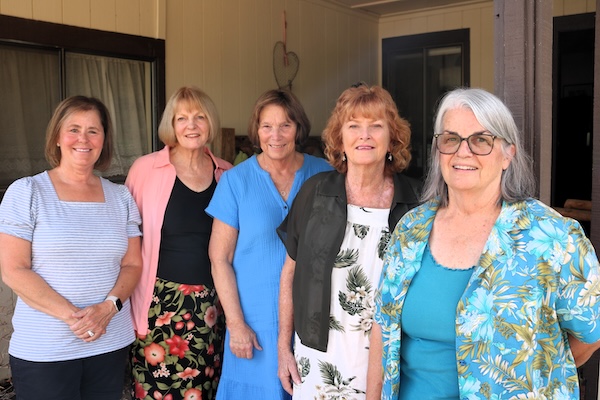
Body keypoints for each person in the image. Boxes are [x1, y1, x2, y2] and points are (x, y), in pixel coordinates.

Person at [368, 87, 600, 399]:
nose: (463, 152)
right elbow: (384, 326)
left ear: (508, 154)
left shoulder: (553, 237)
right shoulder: (411, 229)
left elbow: (590, 333)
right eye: (451, 139)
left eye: (481, 140)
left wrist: (535, 377)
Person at [277, 84, 421, 399]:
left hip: (390, 358)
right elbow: (290, 273)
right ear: (340, 138)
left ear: (392, 139)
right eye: (354, 126)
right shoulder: (314, 193)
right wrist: (283, 348)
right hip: (318, 356)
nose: (364, 135)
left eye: (376, 126)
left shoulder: (417, 203)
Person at [0, 96, 142, 399]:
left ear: (104, 139)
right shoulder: (27, 192)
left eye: (94, 130)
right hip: (46, 350)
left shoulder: (121, 198)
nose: (84, 139)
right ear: (57, 137)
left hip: (109, 343)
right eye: (74, 129)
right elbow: (13, 270)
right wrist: (75, 318)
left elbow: (132, 265)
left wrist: (108, 309)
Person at [206, 89, 332, 399]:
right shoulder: (236, 181)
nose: (275, 135)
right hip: (254, 321)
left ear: (298, 129)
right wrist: (236, 324)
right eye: (266, 126)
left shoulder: (325, 175)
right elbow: (219, 258)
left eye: (285, 125)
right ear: (256, 131)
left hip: (312, 317)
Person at [126, 86, 232, 400]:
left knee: (202, 390)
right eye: (182, 118)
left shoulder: (227, 173)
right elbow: (128, 238)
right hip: (158, 303)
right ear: (171, 125)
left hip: (211, 305)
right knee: (155, 390)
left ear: (210, 122)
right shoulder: (145, 169)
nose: (191, 125)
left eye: (199, 117)